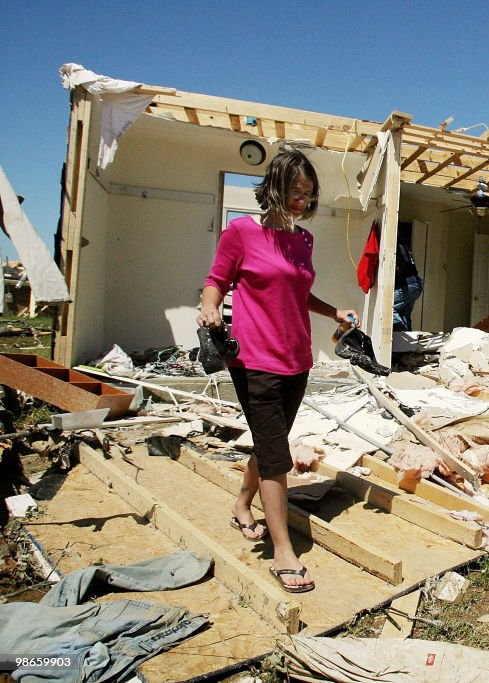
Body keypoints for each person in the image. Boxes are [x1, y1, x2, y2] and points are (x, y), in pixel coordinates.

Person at [197, 149, 358, 593]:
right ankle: (283, 552)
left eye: (308, 195)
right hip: (254, 360)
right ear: (273, 188)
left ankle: (242, 505)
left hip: (296, 359)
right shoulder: (241, 233)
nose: (301, 202)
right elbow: (217, 280)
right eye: (294, 192)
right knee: (276, 456)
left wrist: (334, 312)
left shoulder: (303, 240)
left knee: (272, 443)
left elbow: (299, 292)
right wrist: (210, 308)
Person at [392, 227, 423, 331]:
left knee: (388, 307)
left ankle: (400, 333)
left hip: (407, 284)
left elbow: (401, 265)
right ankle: (406, 342)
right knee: (404, 314)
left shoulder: (396, 246)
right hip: (416, 283)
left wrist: (396, 275)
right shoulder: (405, 246)